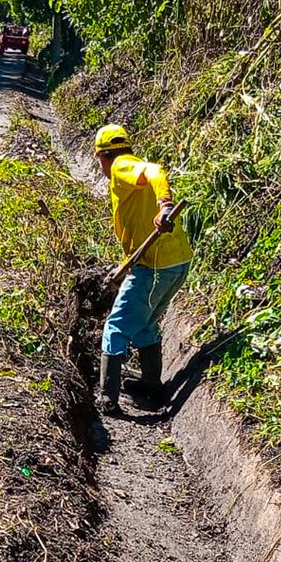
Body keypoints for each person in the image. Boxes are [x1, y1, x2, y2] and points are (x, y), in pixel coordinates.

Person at [94, 124, 192, 413]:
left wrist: (165, 206)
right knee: (146, 323)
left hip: (154, 267)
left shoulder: (121, 166)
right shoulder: (129, 168)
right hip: (177, 262)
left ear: (103, 156)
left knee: (116, 327)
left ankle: (107, 398)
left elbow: (155, 170)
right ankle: (151, 385)